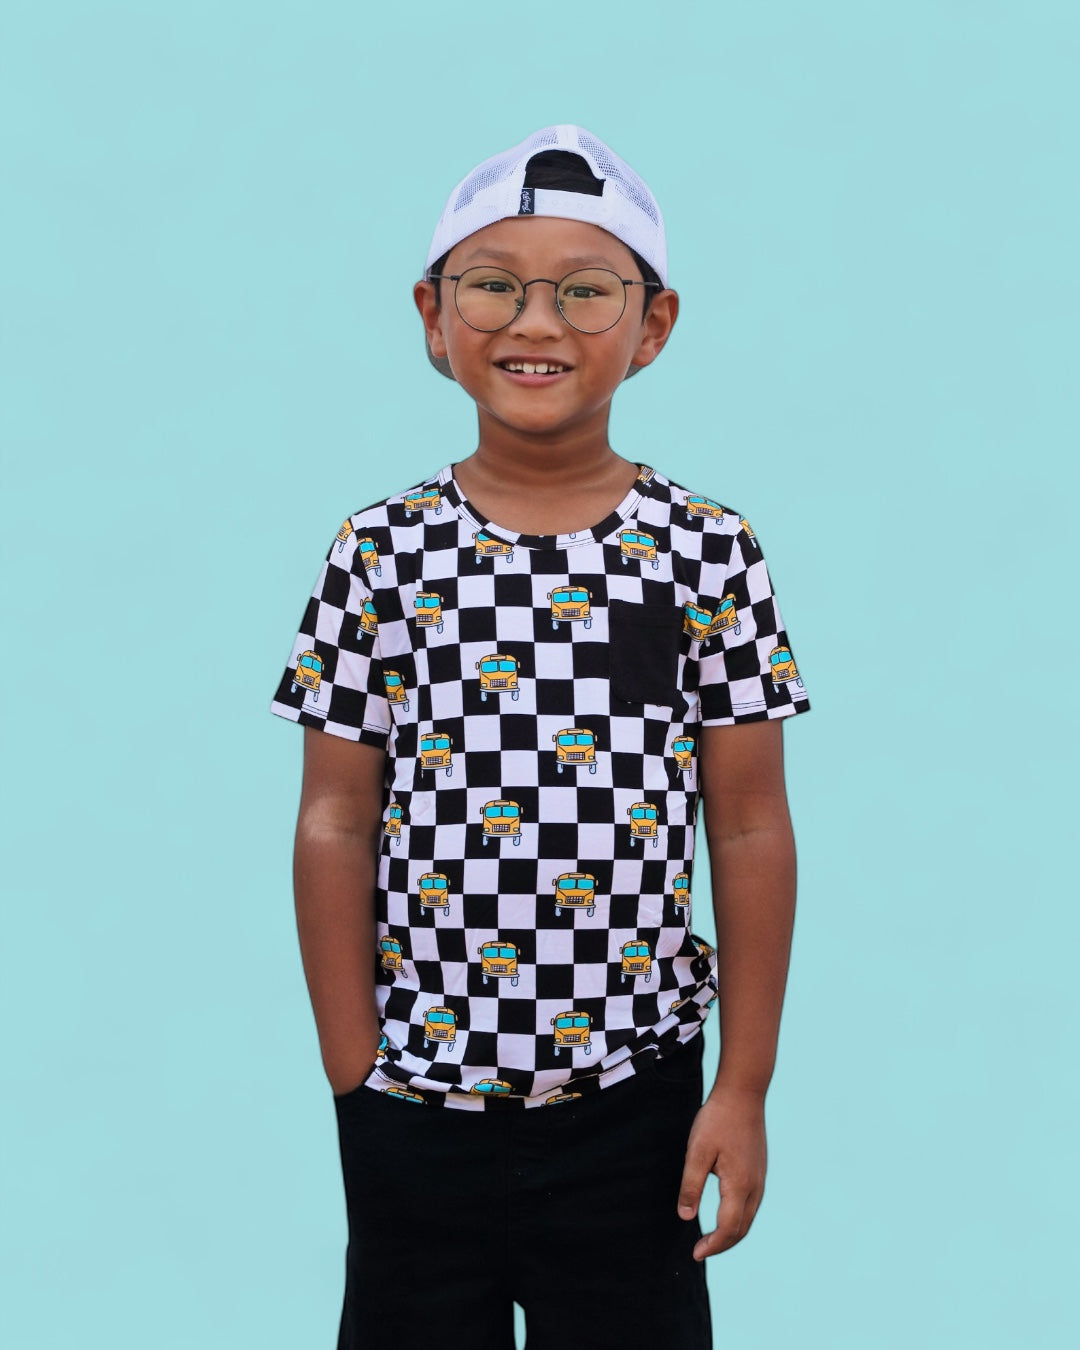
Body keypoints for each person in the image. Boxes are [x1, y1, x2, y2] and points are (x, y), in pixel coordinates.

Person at [270, 125, 810, 1350]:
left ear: (653, 324)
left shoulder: (707, 553)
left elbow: (748, 822)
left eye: (584, 291)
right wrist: (354, 1070)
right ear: (433, 314)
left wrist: (742, 1085)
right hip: (414, 1099)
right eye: (494, 286)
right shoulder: (379, 552)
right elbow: (336, 816)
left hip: (636, 1099)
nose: (538, 323)